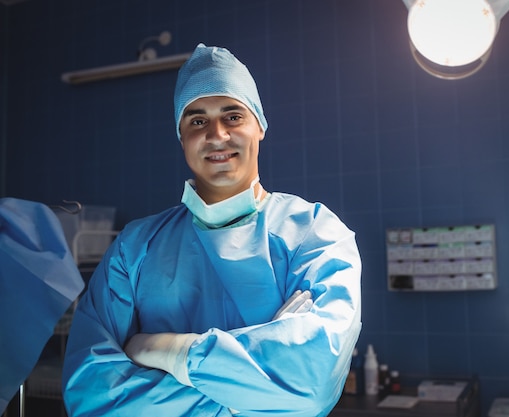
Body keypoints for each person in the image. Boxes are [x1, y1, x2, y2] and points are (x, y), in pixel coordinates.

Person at [62, 44, 362, 417]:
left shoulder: (314, 235)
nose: (217, 134)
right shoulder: (134, 248)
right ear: (181, 136)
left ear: (260, 126)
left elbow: (312, 380)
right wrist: (251, 396)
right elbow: (91, 393)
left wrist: (166, 351)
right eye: (197, 121)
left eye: (233, 116)